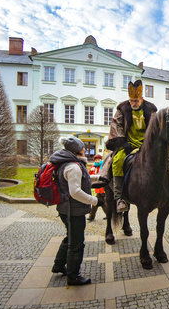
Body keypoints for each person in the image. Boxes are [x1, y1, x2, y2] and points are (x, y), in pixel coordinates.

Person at [103, 79, 157, 214]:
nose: (133, 103)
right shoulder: (123, 108)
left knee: (162, 159)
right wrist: (121, 141)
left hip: (146, 144)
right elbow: (116, 125)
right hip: (128, 143)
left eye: (136, 101)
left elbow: (155, 127)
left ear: (142, 99)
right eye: (132, 101)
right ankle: (119, 198)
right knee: (117, 161)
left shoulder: (151, 109)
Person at [50, 137, 98, 286]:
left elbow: (80, 179)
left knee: (70, 237)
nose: (85, 150)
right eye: (83, 148)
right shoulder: (73, 166)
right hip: (73, 210)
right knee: (76, 243)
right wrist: (95, 201)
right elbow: (75, 191)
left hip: (66, 208)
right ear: (77, 150)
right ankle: (73, 276)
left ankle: (58, 265)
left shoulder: (68, 163)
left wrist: (98, 178)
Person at [87, 154, 105, 222]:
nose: (97, 161)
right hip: (97, 188)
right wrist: (91, 170)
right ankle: (109, 215)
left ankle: (91, 216)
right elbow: (89, 176)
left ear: (101, 160)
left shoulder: (103, 166)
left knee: (97, 202)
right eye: (96, 160)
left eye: (99, 159)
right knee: (100, 203)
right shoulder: (93, 167)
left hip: (103, 187)